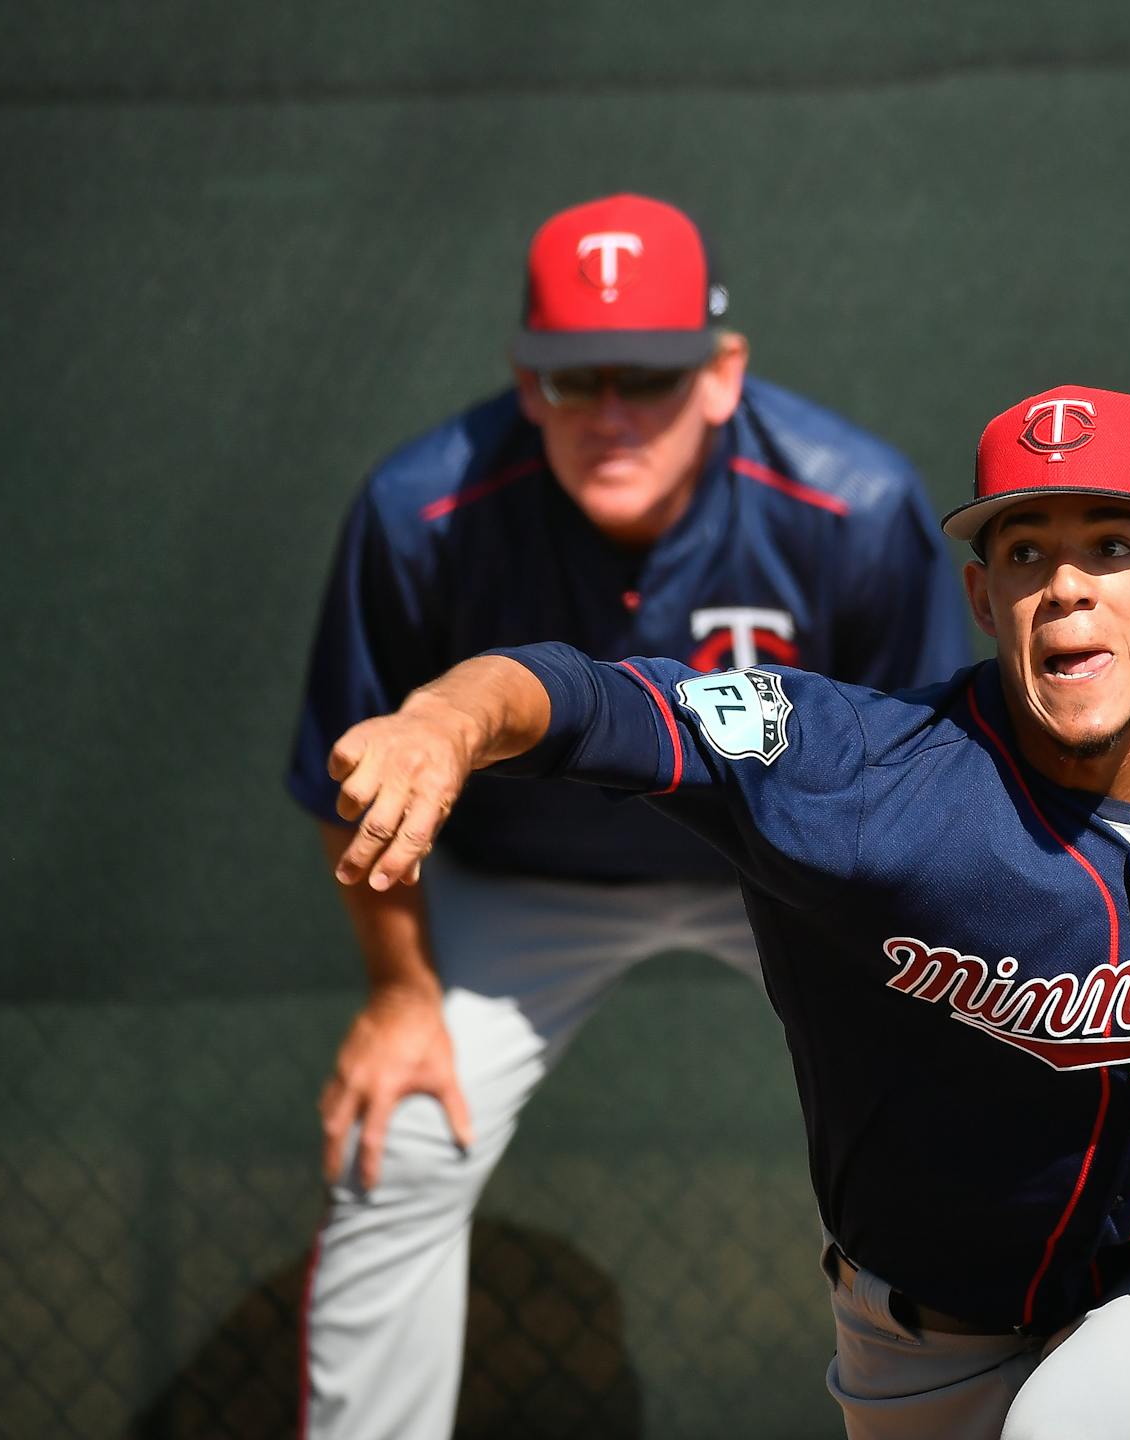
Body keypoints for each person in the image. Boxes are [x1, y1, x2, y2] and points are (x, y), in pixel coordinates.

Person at [321, 383, 1130, 1439]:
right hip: (908, 1336)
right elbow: (590, 697)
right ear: (983, 594)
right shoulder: (856, 770)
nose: (1067, 586)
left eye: (1114, 546)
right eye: (1028, 551)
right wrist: (446, 722)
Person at [284, 192, 970, 1439]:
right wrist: (398, 997)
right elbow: (355, 776)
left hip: (787, 874)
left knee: (945, 1138)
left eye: (647, 378)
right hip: (518, 878)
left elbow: (920, 788)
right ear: (523, 378)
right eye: (572, 377)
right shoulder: (421, 510)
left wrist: (911, 1012)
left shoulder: (852, 509)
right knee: (397, 1145)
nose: (609, 414)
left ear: (719, 376)